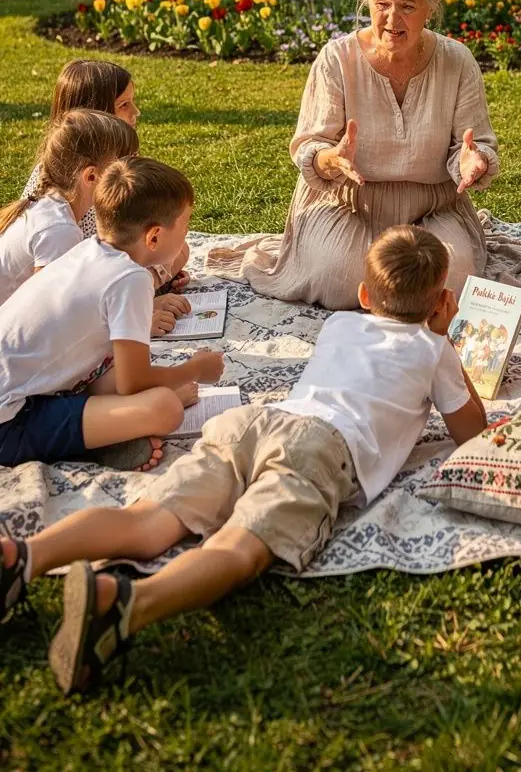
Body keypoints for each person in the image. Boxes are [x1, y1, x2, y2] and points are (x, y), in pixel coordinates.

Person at [0, 225, 486, 693]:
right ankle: (125, 603)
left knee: (147, 521)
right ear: (442, 299)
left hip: (257, 423)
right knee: (236, 550)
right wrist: (443, 338)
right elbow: (471, 430)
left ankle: (23, 557)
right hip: (321, 449)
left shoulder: (341, 323)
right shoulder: (433, 349)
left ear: (363, 295)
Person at [207, 0, 499, 310]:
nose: (392, 18)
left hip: (433, 206)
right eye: (381, 3)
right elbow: (311, 145)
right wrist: (330, 159)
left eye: (408, 6)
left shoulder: (457, 59)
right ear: (366, 1)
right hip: (345, 202)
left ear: (431, 9)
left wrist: (471, 160)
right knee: (343, 276)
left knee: (452, 274)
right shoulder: (336, 58)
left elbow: (475, 145)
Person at [0, 157, 223, 473]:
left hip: (24, 388)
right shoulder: (131, 279)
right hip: (11, 421)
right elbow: (135, 382)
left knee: (116, 377)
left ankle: (102, 425)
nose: (187, 235)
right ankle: (104, 440)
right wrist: (193, 370)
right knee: (165, 407)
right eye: (185, 226)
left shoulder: (89, 249)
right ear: (154, 237)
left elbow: (117, 370)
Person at [22, 59, 190, 331]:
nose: (136, 112)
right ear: (95, 116)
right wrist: (138, 313)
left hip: (95, 277)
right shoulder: (56, 221)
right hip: (63, 307)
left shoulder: (95, 173)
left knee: (177, 248)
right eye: (124, 105)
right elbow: (54, 310)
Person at [0, 111, 138, 307]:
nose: (135, 174)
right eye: (127, 166)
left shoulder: (51, 204)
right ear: (91, 177)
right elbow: (49, 312)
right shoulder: (58, 229)